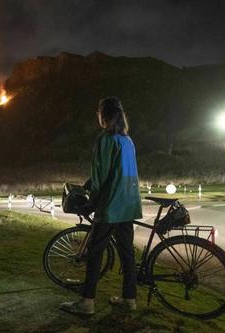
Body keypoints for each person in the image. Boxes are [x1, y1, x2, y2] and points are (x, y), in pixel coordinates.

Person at [60, 97, 143, 315]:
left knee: (94, 252)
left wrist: (91, 202)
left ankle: (87, 302)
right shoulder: (127, 141)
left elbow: (101, 175)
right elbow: (116, 170)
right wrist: (89, 184)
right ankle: (129, 299)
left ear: (103, 116)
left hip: (111, 205)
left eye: (98, 113)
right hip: (129, 204)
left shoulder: (106, 139)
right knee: (127, 253)